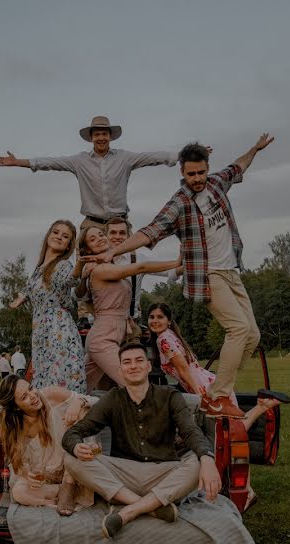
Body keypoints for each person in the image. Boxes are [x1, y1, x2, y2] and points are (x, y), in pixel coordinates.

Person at [90, 135, 275, 418]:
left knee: (251, 335)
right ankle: (217, 396)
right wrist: (112, 251)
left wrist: (255, 149)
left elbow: (238, 167)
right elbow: (148, 232)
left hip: (232, 271)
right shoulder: (179, 204)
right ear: (182, 172)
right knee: (238, 329)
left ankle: (214, 380)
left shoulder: (216, 183)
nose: (197, 178)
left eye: (201, 172)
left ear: (207, 168)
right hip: (206, 274)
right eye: (191, 174)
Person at [62, 342, 221, 539]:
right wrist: (77, 446)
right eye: (127, 362)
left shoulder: (170, 396)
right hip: (124, 476)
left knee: (197, 462)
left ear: (148, 366)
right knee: (71, 459)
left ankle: (128, 511)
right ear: (120, 370)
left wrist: (207, 458)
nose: (133, 366)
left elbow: (191, 431)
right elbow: (74, 432)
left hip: (163, 472)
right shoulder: (113, 398)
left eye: (139, 360)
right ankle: (151, 507)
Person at [0, 115, 181, 231]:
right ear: (91, 138)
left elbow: (152, 157)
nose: (101, 138)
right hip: (92, 224)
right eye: (97, 134)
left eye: (104, 134)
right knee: (87, 274)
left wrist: (184, 154)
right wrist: (19, 162)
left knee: (124, 271)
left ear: (110, 137)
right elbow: (50, 163)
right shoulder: (79, 161)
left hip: (119, 224)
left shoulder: (125, 158)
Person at [76, 226, 181, 392]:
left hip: (114, 334)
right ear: (87, 249)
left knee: (78, 389)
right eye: (93, 239)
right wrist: (178, 261)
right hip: (102, 340)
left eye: (101, 234)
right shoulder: (99, 270)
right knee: (135, 384)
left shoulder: (109, 266)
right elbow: (142, 267)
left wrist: (186, 266)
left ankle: (58, 414)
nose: (100, 238)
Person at [146, 303, 287, 423]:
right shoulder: (170, 335)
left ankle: (264, 405)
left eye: (160, 317)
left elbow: (183, 369)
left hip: (202, 387)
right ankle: (264, 405)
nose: (155, 321)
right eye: (151, 317)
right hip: (208, 381)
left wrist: (199, 396)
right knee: (229, 426)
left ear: (169, 321)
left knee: (228, 428)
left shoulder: (163, 340)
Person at [0, 375, 98, 515]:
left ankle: (69, 486)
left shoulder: (51, 395)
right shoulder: (12, 427)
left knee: (82, 411)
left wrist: (78, 401)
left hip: (71, 469)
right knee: (18, 492)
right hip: (46, 479)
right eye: (24, 397)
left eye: (31, 388)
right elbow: (17, 464)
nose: (33, 396)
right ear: (16, 408)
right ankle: (50, 502)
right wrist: (27, 475)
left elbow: (97, 402)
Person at [9, 220, 87, 393]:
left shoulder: (62, 265)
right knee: (43, 384)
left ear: (68, 245)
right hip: (41, 333)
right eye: (56, 232)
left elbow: (70, 279)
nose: (59, 237)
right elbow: (31, 287)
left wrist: (80, 263)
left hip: (58, 332)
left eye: (65, 236)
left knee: (59, 382)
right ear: (48, 235)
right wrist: (21, 297)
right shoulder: (40, 268)